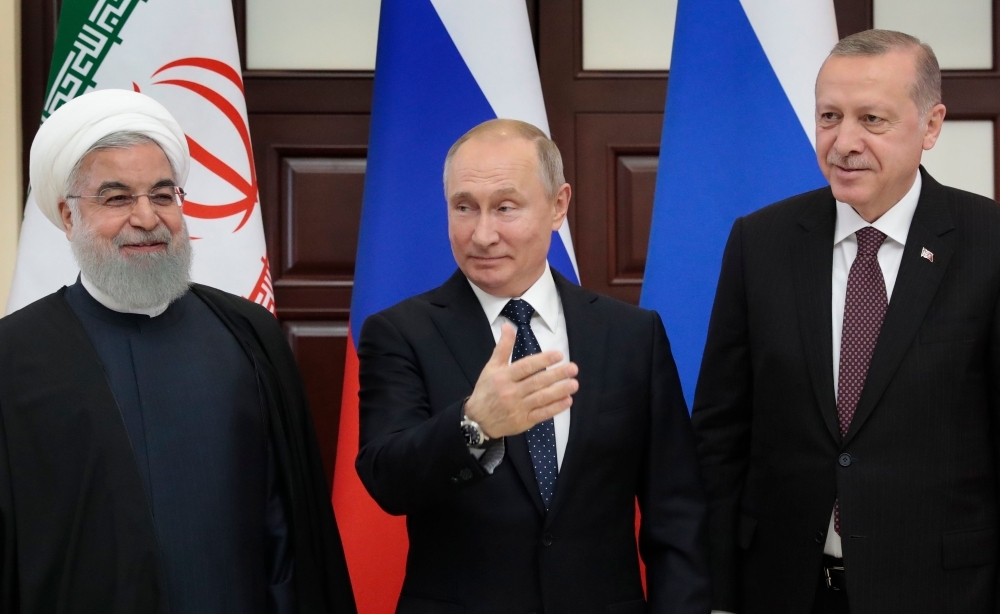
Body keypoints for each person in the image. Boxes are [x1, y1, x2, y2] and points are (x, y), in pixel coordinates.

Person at [0, 89, 356, 613]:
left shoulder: (248, 334)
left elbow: (290, 528)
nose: (147, 218)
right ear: (68, 216)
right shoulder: (14, 357)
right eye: (117, 198)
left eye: (163, 195)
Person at [692, 29, 1000, 614]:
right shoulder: (760, 242)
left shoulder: (988, 242)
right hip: (784, 588)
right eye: (829, 116)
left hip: (945, 592)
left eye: (872, 120)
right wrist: (717, 591)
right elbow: (720, 435)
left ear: (931, 126)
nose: (843, 142)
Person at [355, 118, 710, 614]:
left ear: (558, 205)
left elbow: (677, 515)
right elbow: (386, 480)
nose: (482, 234)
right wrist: (474, 427)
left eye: (505, 207)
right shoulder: (400, 333)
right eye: (464, 208)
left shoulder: (631, 335)